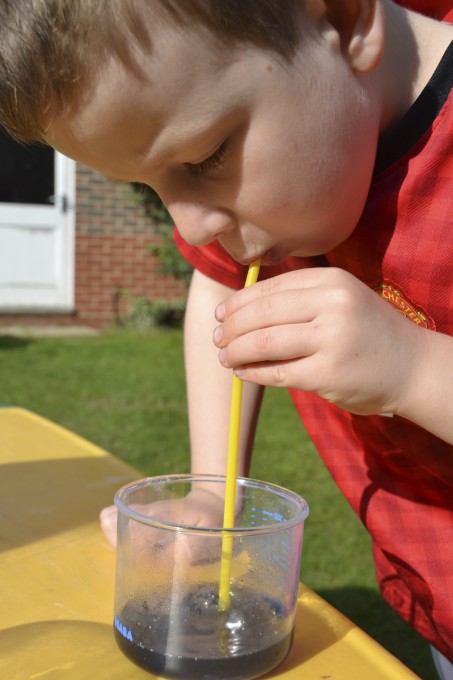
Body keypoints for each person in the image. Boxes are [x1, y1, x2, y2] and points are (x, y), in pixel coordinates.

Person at [0, 0, 452, 675]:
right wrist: (215, 492)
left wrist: (414, 371)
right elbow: (218, 290)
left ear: (344, 19)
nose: (192, 225)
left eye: (204, 155)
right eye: (151, 188)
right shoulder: (301, 177)